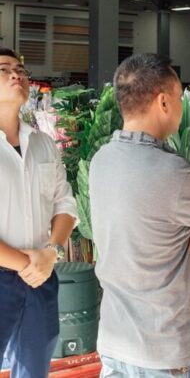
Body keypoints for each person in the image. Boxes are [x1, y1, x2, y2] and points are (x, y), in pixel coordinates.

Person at [90, 53, 190, 376]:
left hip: (115, 344)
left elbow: (148, 226)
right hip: (169, 351)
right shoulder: (174, 172)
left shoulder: (101, 161)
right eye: (179, 96)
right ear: (163, 102)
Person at [0, 47, 77, 378]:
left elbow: (65, 204)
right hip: (16, 272)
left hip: (42, 278)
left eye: (21, 70)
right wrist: (31, 264)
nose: (17, 75)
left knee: (34, 369)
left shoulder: (43, 143)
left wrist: (52, 252)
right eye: (4, 69)